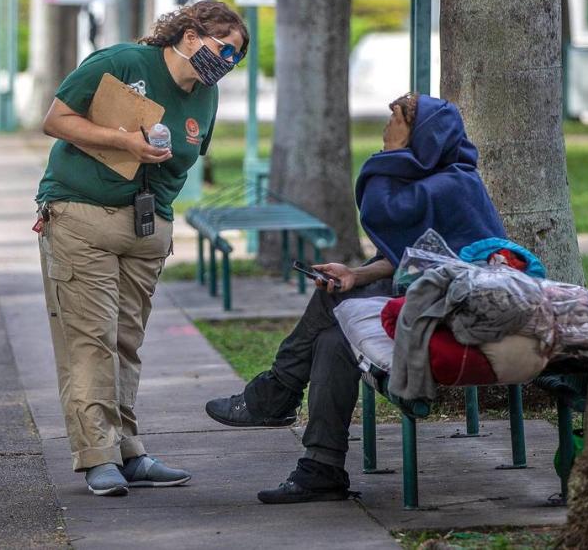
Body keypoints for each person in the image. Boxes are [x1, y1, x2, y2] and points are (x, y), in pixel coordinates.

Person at [205, 93, 506, 504]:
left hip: (455, 312)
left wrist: (393, 155)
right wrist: (356, 275)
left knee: (331, 306)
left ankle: (277, 392)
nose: (386, 127)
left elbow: (436, 256)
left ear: (422, 134)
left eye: (396, 119)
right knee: (333, 339)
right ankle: (321, 468)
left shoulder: (454, 186)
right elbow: (410, 260)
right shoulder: (434, 181)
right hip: (426, 300)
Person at [36, 0, 249, 497]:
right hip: (82, 214)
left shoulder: (206, 97)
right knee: (91, 338)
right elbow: (57, 120)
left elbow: (190, 158)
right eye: (225, 49)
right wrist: (122, 140)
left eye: (237, 58)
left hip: (148, 228)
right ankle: (97, 456)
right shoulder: (122, 64)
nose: (228, 63)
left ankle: (128, 450)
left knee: (126, 342)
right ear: (191, 36)